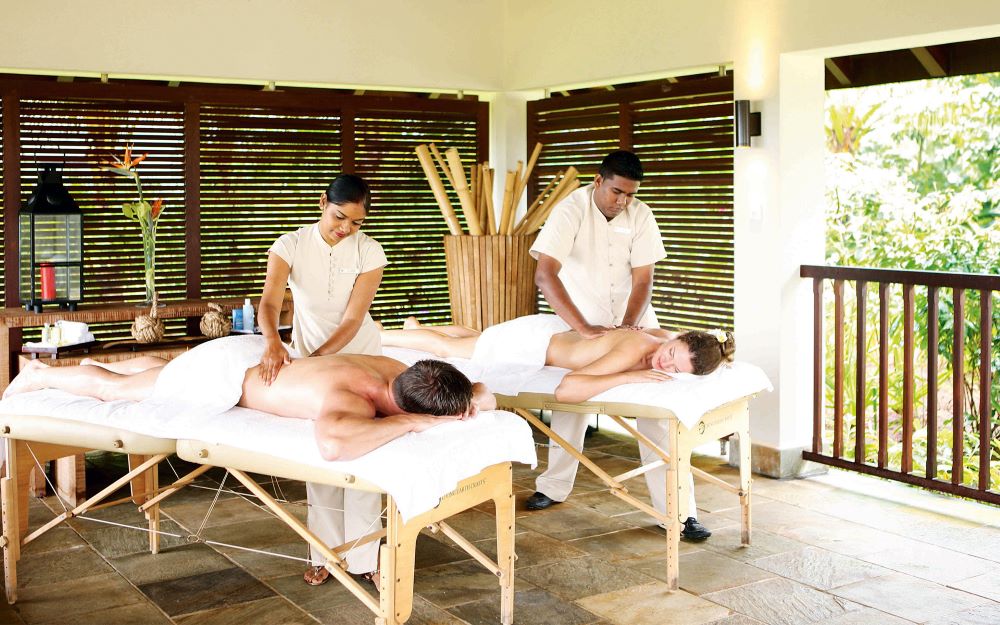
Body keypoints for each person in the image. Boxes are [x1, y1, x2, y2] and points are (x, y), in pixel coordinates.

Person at [531, 149, 711, 540]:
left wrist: (630, 328)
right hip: (583, 322)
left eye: (630, 195)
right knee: (573, 404)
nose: (623, 202)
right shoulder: (570, 210)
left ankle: (682, 514)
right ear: (598, 181)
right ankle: (553, 487)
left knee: (660, 410)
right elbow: (545, 276)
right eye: (617, 193)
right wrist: (583, 327)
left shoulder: (641, 214)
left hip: (636, 319)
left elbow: (644, 278)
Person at [4, 337, 497, 463]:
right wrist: (414, 425)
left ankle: (49, 373)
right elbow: (334, 445)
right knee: (116, 389)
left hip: (243, 356)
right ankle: (41, 374)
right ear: (404, 407)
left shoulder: (408, 370)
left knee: (157, 373)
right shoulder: (350, 398)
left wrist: (469, 399)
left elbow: (481, 390)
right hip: (218, 374)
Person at [255, 174, 389, 585]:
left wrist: (318, 361)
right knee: (323, 453)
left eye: (356, 222)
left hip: (361, 356)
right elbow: (269, 302)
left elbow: (352, 320)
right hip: (312, 359)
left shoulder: (370, 252)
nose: (346, 228)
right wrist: (274, 341)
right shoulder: (290, 244)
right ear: (322, 203)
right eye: (339, 217)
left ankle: (365, 558)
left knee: (361, 450)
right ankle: (325, 554)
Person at [380, 316, 736, 401]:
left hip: (550, 332)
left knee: (479, 336)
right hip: (532, 345)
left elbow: (670, 343)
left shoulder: (663, 337)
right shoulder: (635, 349)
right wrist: (629, 377)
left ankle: (419, 324)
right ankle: (383, 334)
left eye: (676, 369)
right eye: (671, 356)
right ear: (677, 339)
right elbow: (567, 390)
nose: (665, 365)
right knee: (449, 350)